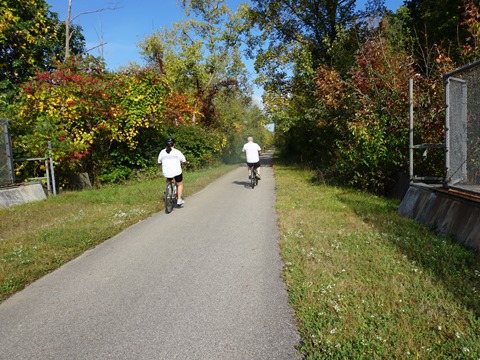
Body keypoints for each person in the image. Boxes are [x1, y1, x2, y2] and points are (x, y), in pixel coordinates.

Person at [158, 137, 188, 206]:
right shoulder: (177, 152)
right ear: (174, 144)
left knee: (169, 178)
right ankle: (179, 199)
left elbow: (159, 161)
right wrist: (186, 162)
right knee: (179, 184)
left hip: (166, 172)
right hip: (177, 171)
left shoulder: (162, 152)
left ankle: (169, 191)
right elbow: (184, 161)